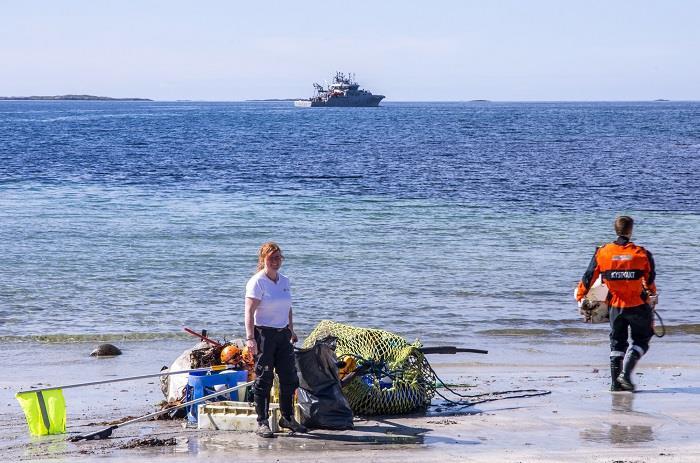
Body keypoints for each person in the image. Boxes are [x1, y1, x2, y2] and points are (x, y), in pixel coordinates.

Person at [575, 216, 657, 392]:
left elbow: (589, 276)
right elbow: (650, 280)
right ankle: (625, 375)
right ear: (630, 231)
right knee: (642, 339)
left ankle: (615, 385)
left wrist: (581, 295)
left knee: (617, 343)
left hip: (615, 306)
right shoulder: (642, 253)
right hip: (638, 305)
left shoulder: (602, 252)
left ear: (616, 230)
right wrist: (651, 293)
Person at [245, 242, 307, 437]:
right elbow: (249, 312)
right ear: (263, 259)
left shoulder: (284, 281)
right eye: (271, 258)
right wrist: (250, 338)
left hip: (283, 335)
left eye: (278, 257)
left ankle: (287, 418)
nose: (275, 261)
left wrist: (291, 330)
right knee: (264, 379)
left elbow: (287, 308)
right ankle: (262, 422)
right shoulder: (257, 282)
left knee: (289, 378)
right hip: (263, 335)